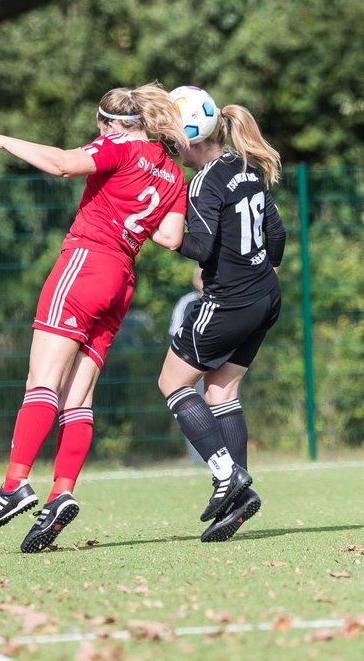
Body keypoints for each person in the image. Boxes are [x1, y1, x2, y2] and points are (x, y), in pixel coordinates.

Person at [0, 82, 188, 553]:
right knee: (78, 396)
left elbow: (63, 164)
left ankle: (14, 486)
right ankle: (61, 491)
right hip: (122, 279)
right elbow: (171, 238)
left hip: (87, 263)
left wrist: (2, 139)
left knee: (41, 383)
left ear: (109, 123)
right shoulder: (173, 173)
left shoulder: (120, 146)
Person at [157, 96, 286, 543]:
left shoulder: (204, 182)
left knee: (172, 384)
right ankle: (240, 496)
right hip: (267, 296)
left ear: (188, 137)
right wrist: (261, 273)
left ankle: (225, 474)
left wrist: (163, 233)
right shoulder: (246, 166)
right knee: (221, 390)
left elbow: (201, 248)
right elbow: (278, 234)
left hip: (228, 302)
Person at [168, 266, 205, 464]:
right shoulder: (186, 303)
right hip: (192, 366)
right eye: (199, 276)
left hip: (220, 365)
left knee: (224, 407)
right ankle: (199, 459)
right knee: (192, 410)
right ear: (193, 280)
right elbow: (174, 335)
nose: (203, 280)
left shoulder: (224, 300)